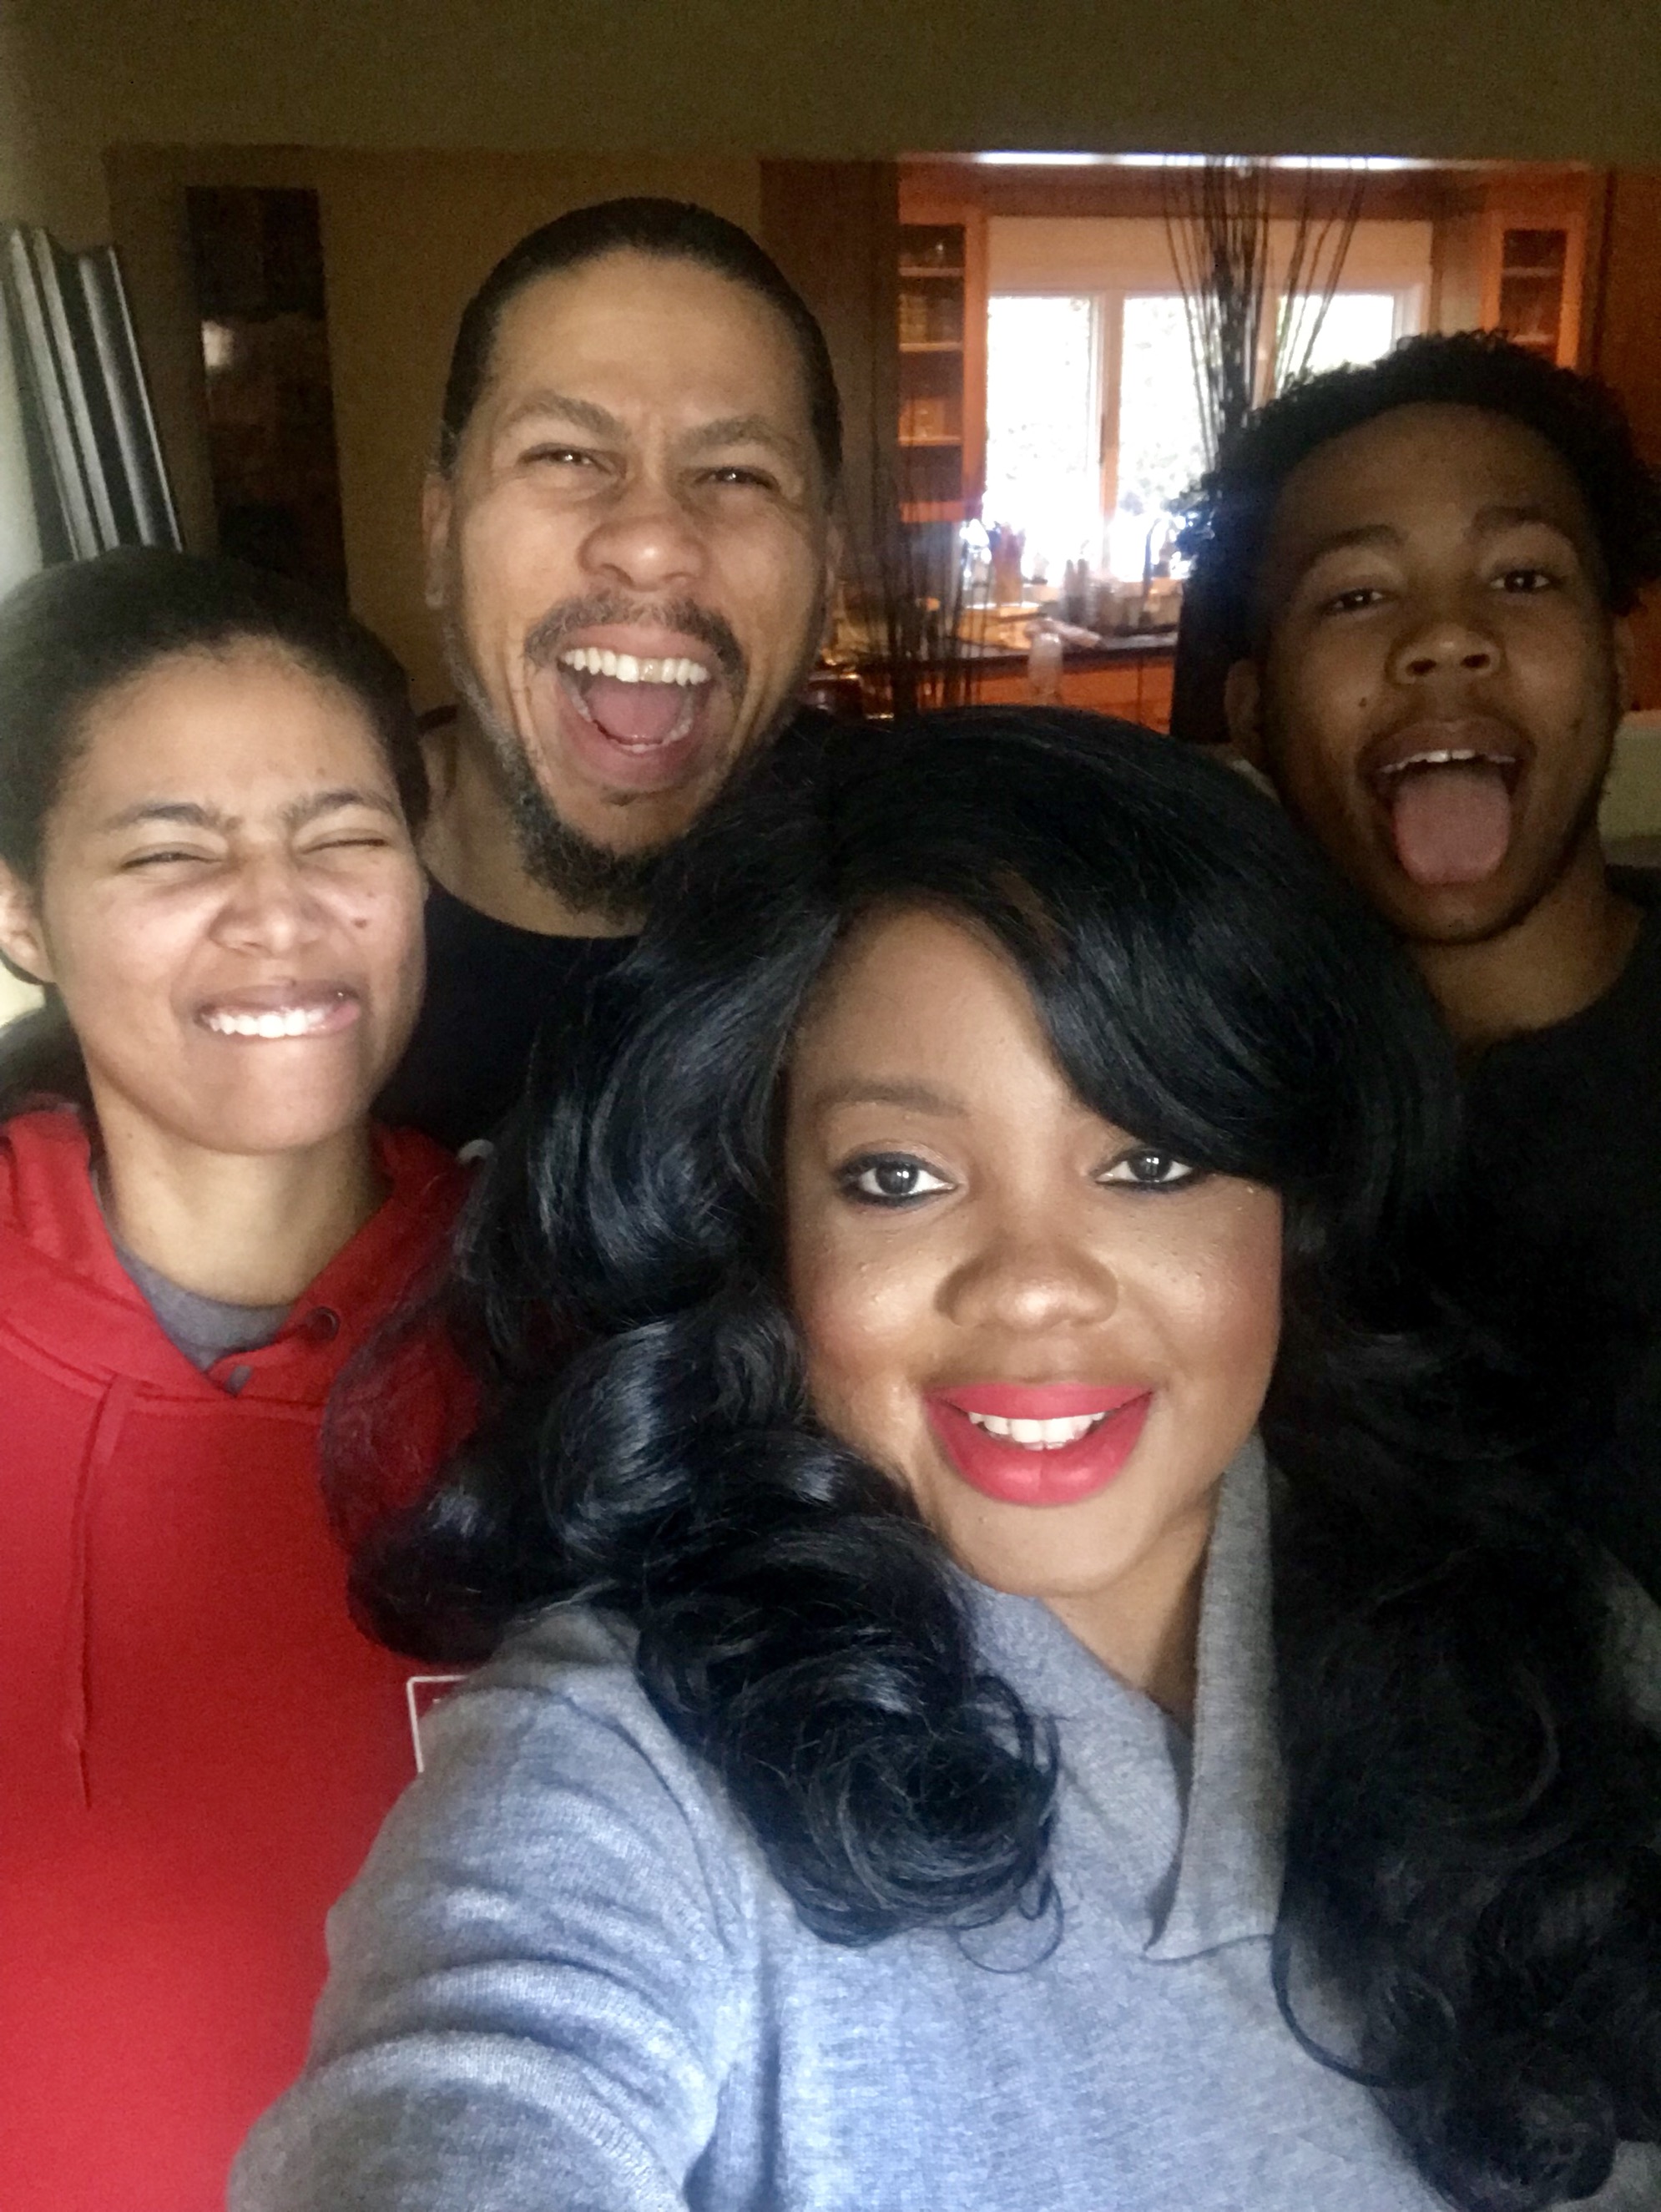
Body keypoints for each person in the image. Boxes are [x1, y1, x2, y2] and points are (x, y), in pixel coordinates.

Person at [236, 713, 1661, 2212]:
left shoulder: (1552, 1640)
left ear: (1292, 1197)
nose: (1033, 1286)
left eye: (1150, 1161)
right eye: (898, 1176)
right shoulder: (628, 1758)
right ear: (769, 1225)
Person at [0, 548, 473, 2212]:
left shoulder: (567, 1344)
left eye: (343, 836)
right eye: (171, 851)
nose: (279, 912)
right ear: (21, 912)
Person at [1180, 331, 1661, 1596]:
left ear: (1618, 665)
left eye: (1521, 577)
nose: (1445, 639)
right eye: (1355, 596)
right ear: (1252, 711)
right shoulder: (1198, 1101)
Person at [378, 196, 843, 1149]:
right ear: (439, 536)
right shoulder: (249, 935)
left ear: (829, 575)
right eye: (565, 455)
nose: (653, 542)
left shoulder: (941, 894)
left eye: (739, 474)